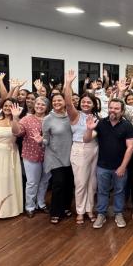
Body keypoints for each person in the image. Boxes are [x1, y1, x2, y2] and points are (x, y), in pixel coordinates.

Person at [85, 98, 133, 229]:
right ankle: (101, 214)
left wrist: (123, 166)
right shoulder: (101, 123)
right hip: (102, 166)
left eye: (116, 108)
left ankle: (118, 213)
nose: (113, 110)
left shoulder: (127, 125)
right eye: (111, 108)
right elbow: (86, 139)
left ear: (122, 111)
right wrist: (89, 129)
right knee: (102, 191)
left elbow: (130, 147)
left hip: (120, 166)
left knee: (119, 191)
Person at [63, 71, 100, 224]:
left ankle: (89, 209)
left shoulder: (97, 117)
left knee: (92, 182)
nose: (85, 104)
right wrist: (68, 84)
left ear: (94, 104)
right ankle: (80, 211)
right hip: (79, 149)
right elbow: (68, 103)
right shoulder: (75, 115)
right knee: (80, 182)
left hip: (94, 148)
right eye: (83, 102)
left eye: (88, 102)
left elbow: (92, 137)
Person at [12, 96, 49, 218]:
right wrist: (15, 118)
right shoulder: (27, 119)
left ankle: (41, 203)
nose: (39, 106)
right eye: (38, 103)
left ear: (47, 107)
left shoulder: (50, 119)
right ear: (34, 105)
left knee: (44, 181)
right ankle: (30, 206)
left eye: (43, 104)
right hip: (31, 155)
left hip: (49, 155)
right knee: (32, 182)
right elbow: (17, 132)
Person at [42, 92, 74, 224]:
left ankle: (66, 207)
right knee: (58, 184)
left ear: (65, 102)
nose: (56, 103)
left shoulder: (71, 116)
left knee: (69, 184)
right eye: (54, 101)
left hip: (70, 155)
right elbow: (45, 139)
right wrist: (41, 141)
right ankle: (55, 212)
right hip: (54, 156)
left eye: (59, 100)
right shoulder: (48, 119)